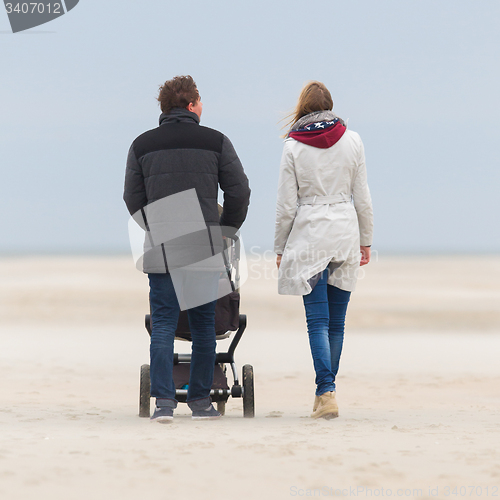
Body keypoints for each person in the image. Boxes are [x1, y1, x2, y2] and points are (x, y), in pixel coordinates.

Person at [124, 75, 250, 422]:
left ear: (164, 108)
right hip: (204, 246)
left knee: (163, 324)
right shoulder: (216, 141)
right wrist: (226, 231)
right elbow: (240, 192)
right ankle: (199, 403)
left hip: (162, 246)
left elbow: (132, 199)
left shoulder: (142, 145)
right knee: (204, 325)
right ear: (192, 105)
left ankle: (164, 403)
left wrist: (155, 225)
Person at [274, 81, 373, 420]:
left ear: (302, 108)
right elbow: (363, 197)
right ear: (331, 106)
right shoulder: (354, 140)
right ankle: (326, 392)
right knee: (337, 324)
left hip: (310, 233)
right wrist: (366, 240)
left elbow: (286, 205)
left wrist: (279, 246)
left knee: (317, 321)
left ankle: (325, 390)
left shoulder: (292, 147)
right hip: (345, 231)